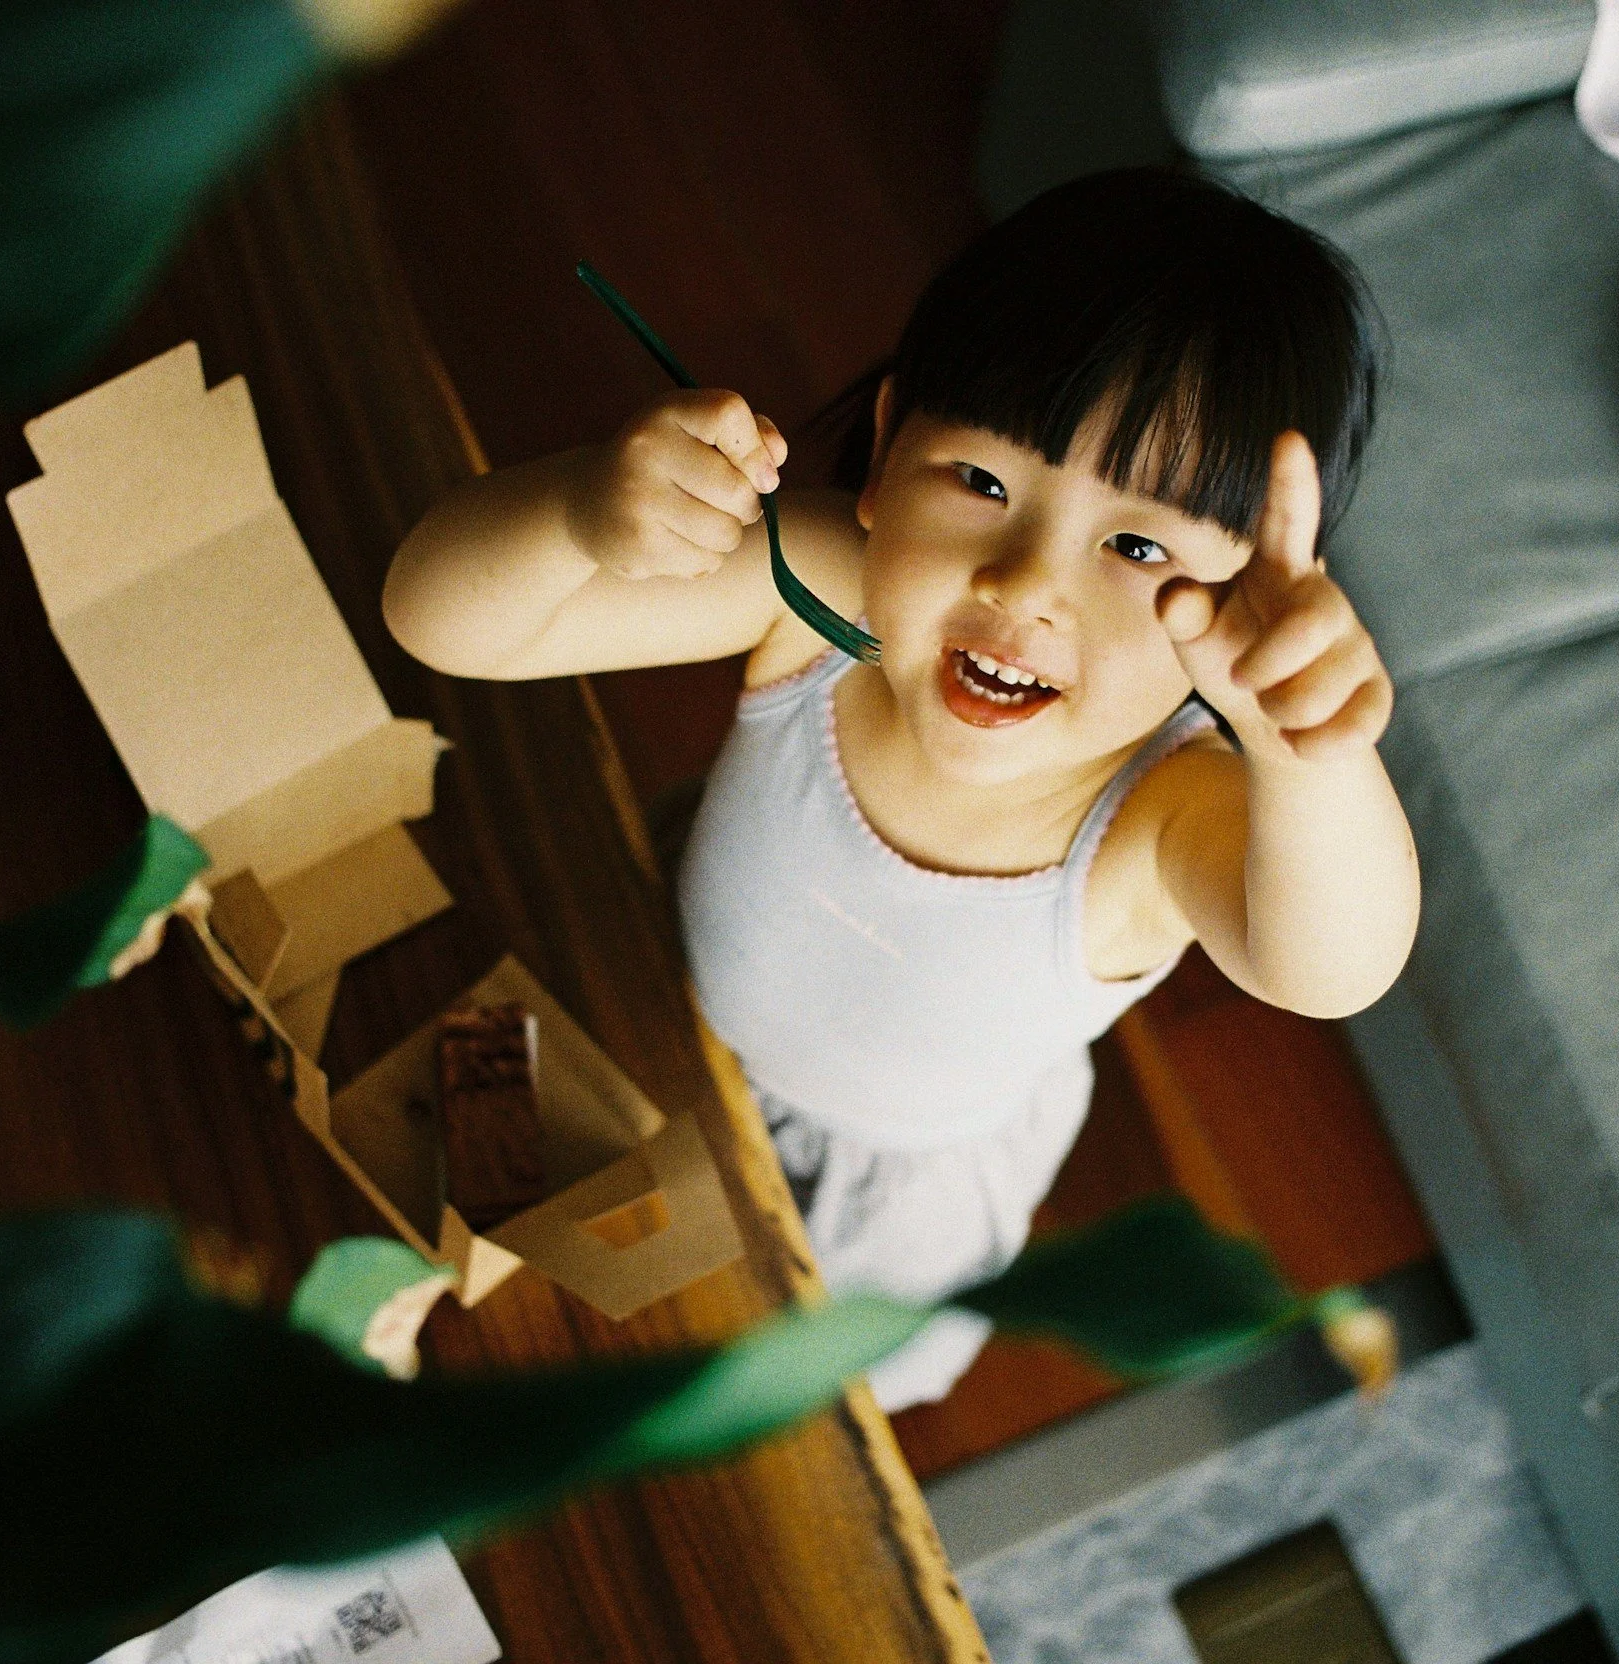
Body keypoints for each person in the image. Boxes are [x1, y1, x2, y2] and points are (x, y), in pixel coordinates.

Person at [384, 168, 1420, 1409]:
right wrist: (577, 514)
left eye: (1138, 546)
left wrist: (1307, 752)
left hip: (881, 1187)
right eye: (981, 483)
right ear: (885, 453)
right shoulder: (826, 590)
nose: (1024, 583)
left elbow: (1330, 968)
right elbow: (439, 619)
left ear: (1243, 602)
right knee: (448, 1231)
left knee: (745, 1403)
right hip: (647, 992)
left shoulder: (1158, 814)